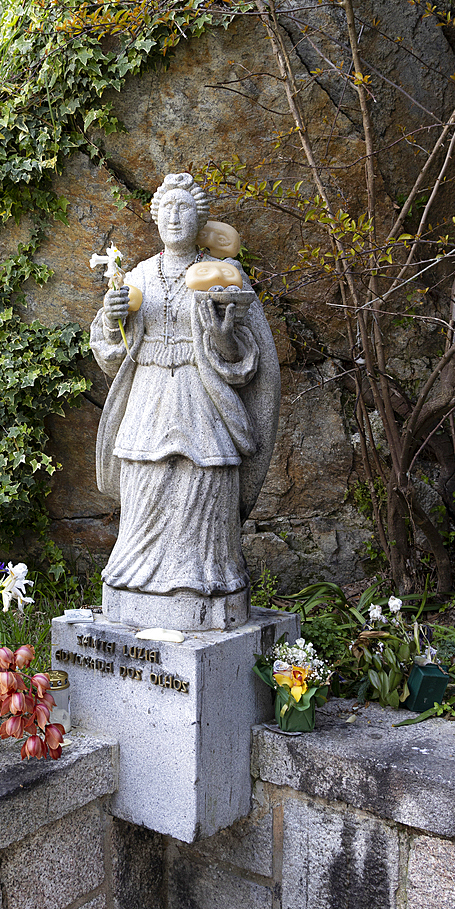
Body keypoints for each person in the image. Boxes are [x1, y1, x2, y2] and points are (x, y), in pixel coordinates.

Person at [90, 172, 278, 600]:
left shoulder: (223, 276)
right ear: (155, 219)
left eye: (184, 208)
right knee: (146, 482)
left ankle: (207, 577)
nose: (174, 217)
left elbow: (246, 364)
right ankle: (134, 579)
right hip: (148, 399)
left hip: (201, 399)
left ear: (201, 220)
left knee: (204, 478)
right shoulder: (136, 276)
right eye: (166, 209)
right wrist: (110, 317)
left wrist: (225, 333)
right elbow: (111, 355)